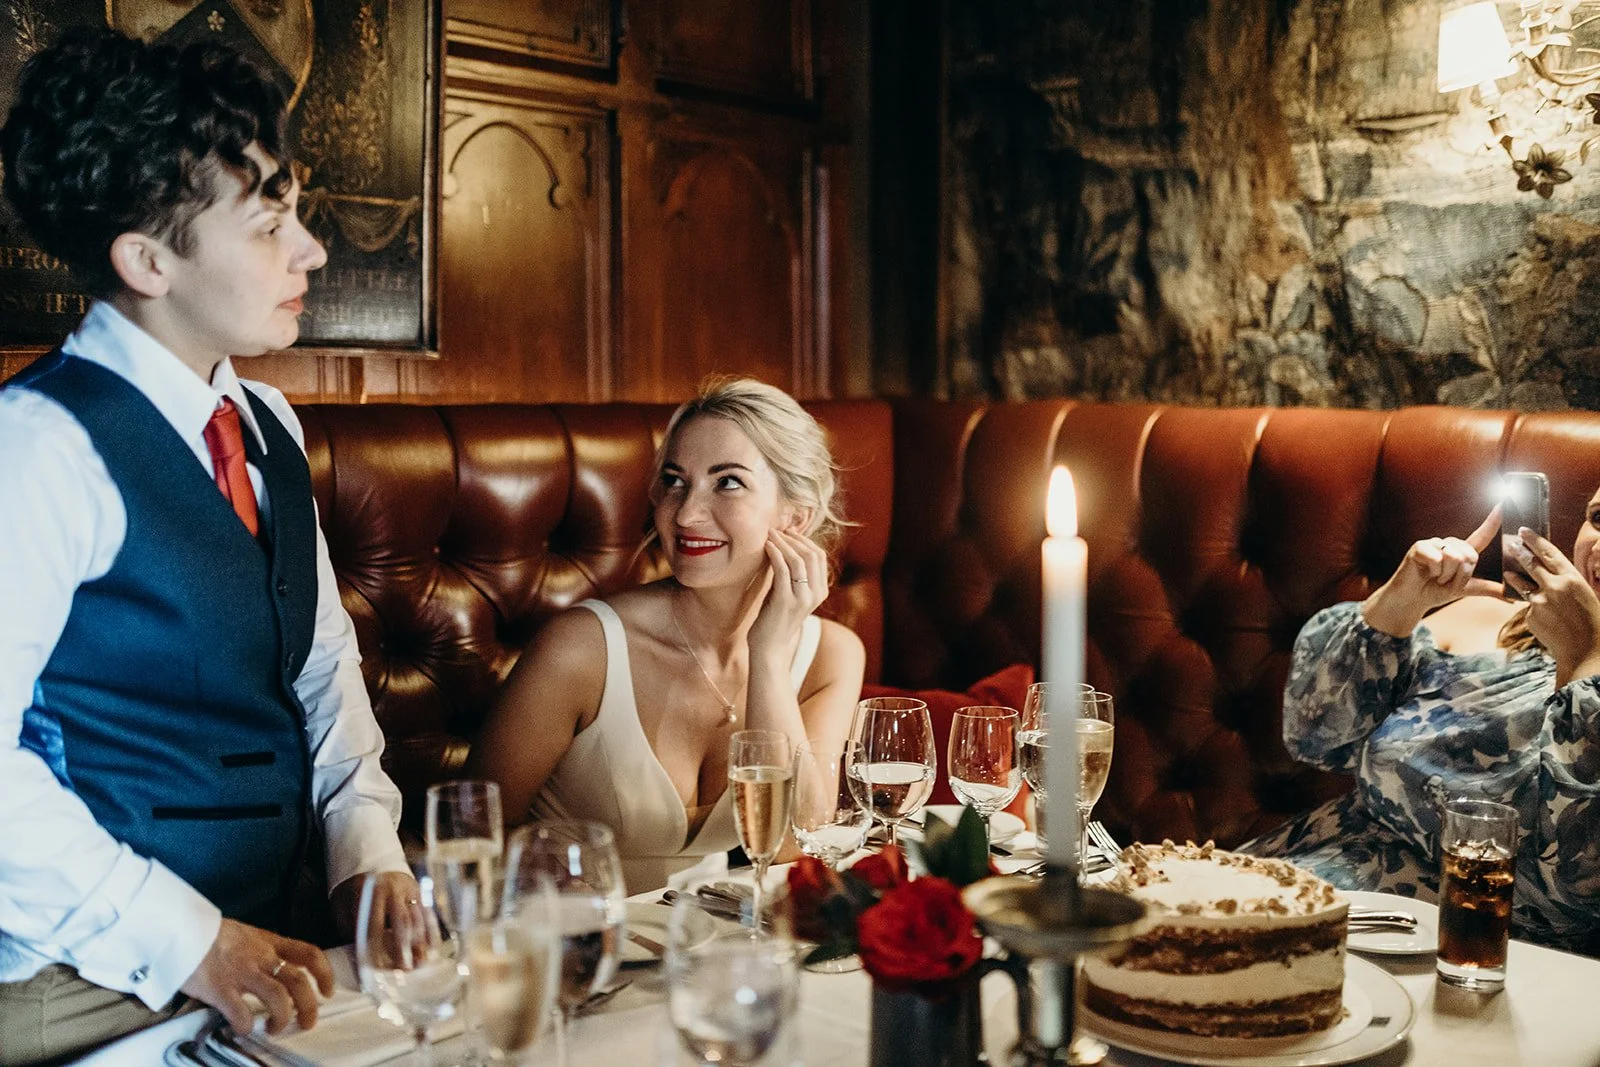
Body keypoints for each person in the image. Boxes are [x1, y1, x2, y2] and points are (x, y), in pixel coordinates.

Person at [0, 29, 417, 1062]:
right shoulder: (38, 447)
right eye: (272, 222)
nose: (311, 249)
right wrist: (193, 941)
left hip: (277, 942)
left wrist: (366, 849)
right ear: (147, 260)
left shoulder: (267, 423)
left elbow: (320, 672)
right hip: (87, 983)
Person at [469, 378, 866, 891]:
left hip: (705, 945)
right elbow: (468, 837)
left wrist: (766, 657)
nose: (686, 514)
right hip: (569, 944)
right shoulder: (583, 649)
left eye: (727, 482)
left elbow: (797, 840)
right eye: (676, 481)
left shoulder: (830, 655)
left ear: (796, 516)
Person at [1241, 494, 1600, 952]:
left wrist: (1586, 658)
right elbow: (1316, 737)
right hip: (1295, 883)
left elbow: (1570, 881)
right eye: (1599, 518)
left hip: (1465, 955)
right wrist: (1398, 604)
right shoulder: (1491, 616)